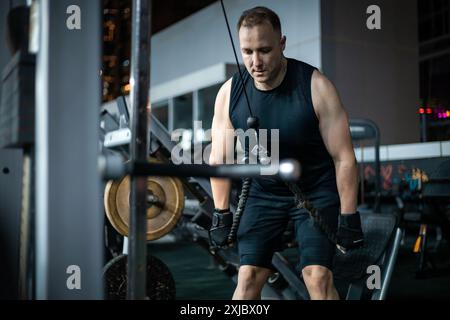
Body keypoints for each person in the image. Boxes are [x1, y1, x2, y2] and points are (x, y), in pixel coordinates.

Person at [209, 6, 363, 300]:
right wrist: (220, 212)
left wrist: (349, 216)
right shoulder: (230, 93)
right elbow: (220, 158)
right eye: (248, 51)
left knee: (316, 278)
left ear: (282, 43)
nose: (256, 62)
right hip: (262, 192)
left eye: (265, 50)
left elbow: (343, 157)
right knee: (248, 278)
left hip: (314, 191)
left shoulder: (316, 86)